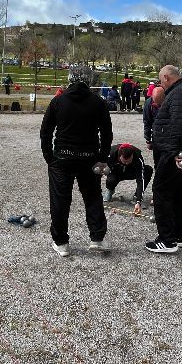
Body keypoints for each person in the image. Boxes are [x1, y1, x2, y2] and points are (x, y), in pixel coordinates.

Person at [39, 65, 113, 257]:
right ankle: (97, 238)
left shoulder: (58, 101)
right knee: (93, 197)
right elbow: (107, 133)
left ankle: (61, 243)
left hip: (62, 157)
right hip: (89, 158)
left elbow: (45, 131)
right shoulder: (99, 103)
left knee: (60, 201)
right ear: (89, 81)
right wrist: (102, 158)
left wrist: (49, 157)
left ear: (69, 79)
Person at [147, 65, 182, 254]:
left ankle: (167, 240)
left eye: (161, 80)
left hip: (175, 152)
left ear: (166, 77)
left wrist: (173, 153)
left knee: (162, 190)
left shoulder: (178, 93)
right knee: (178, 192)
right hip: (180, 150)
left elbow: (179, 125)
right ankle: (178, 236)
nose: (160, 83)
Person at [103, 143, 154, 215]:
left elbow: (140, 179)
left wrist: (138, 201)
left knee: (148, 170)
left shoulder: (137, 157)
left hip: (131, 172)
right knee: (111, 180)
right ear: (119, 156)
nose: (126, 163)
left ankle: (136, 196)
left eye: (129, 161)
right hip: (116, 172)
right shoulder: (111, 153)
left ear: (132, 155)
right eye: (124, 161)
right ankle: (110, 190)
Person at [143, 85, 166, 150]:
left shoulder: (170, 101)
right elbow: (147, 122)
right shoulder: (148, 104)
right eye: (156, 103)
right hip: (156, 135)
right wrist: (148, 140)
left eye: (160, 103)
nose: (158, 105)